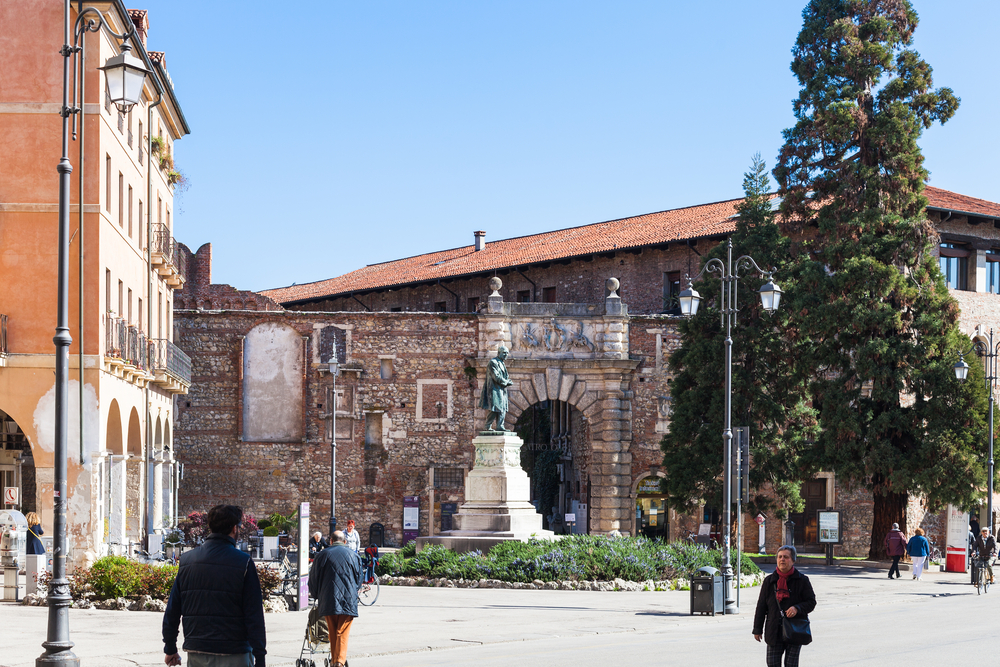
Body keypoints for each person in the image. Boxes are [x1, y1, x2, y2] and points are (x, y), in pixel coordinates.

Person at [163, 504, 266, 667]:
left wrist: (170, 647)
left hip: (197, 651)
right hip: (235, 652)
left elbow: (173, 609)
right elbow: (254, 615)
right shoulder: (244, 563)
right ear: (234, 528)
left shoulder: (187, 561)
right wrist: (260, 656)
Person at [753, 545, 816, 667]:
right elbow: (761, 606)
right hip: (774, 630)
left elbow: (811, 602)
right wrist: (757, 629)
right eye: (780, 557)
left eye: (786, 557)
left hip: (794, 630)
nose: (782, 559)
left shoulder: (802, 580)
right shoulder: (769, 581)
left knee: (791, 664)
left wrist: (797, 608)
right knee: (772, 664)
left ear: (793, 560)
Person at [309, 530, 363, 667]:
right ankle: (339, 662)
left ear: (331, 541)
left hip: (328, 598)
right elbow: (359, 580)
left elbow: (313, 578)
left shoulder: (322, 555)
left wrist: (316, 595)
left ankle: (335, 661)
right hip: (348, 599)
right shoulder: (354, 556)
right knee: (342, 631)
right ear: (345, 542)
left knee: (332, 631)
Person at [480, 345, 513, 431]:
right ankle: (487, 426)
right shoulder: (493, 362)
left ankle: (500, 426)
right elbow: (496, 376)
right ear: (499, 353)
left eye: (507, 353)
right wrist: (506, 382)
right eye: (504, 353)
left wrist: (507, 381)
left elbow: (504, 376)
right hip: (494, 389)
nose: (506, 355)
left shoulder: (502, 363)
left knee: (503, 408)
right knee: (494, 408)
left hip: (502, 389)